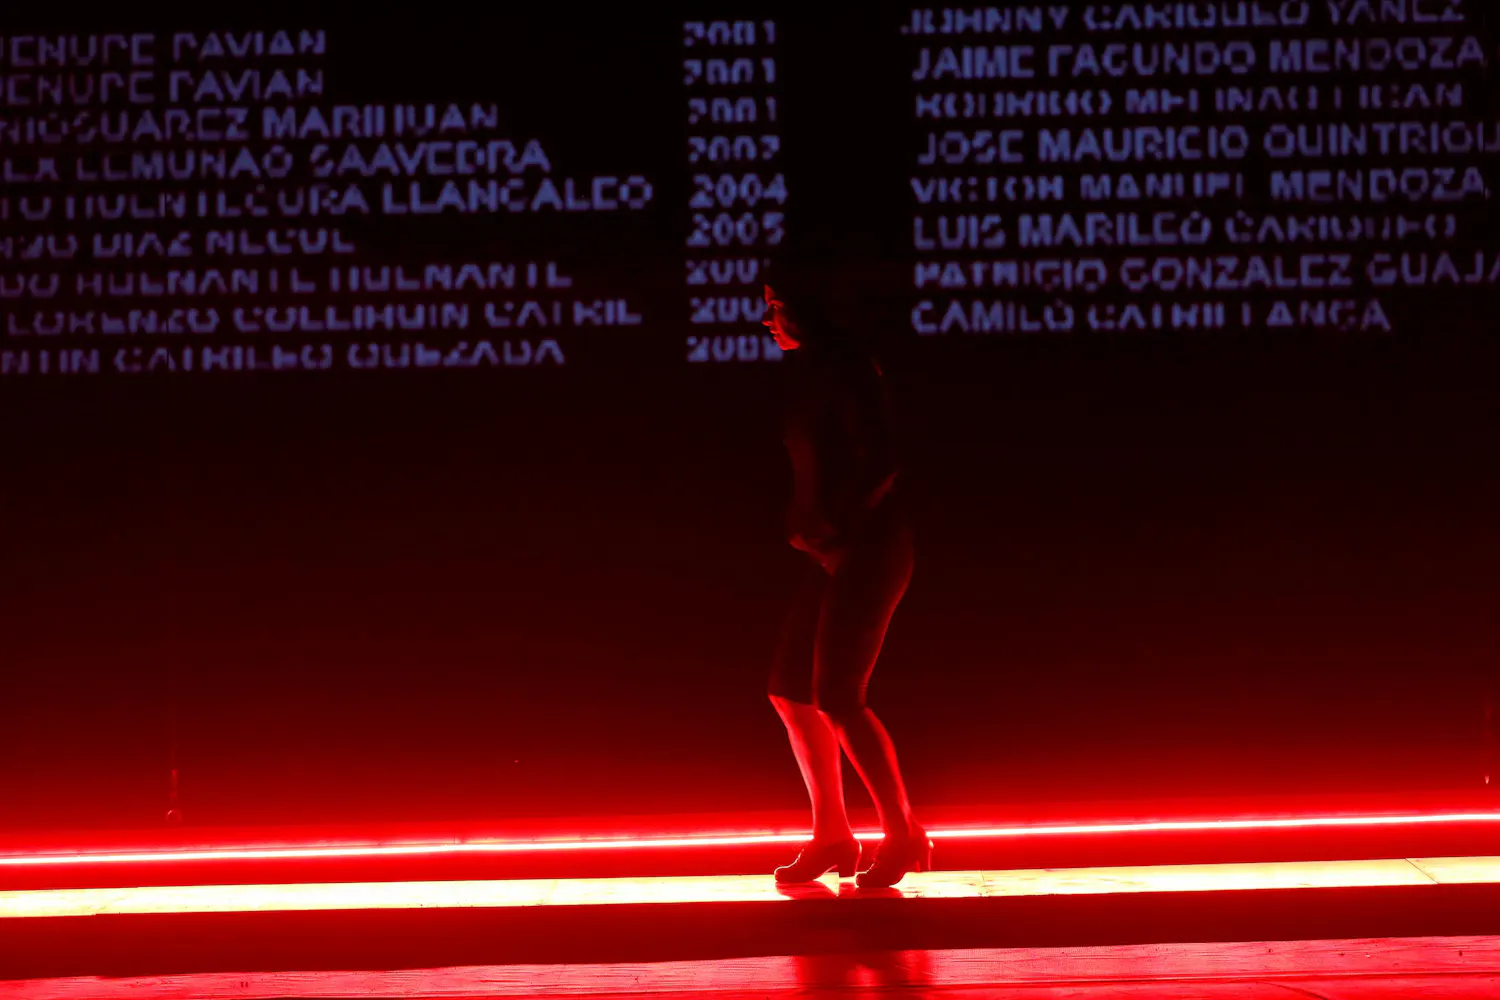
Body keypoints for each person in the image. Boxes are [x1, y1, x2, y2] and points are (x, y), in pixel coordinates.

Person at [762, 261, 930, 889]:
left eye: (776, 305)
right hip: (833, 552)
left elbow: (883, 459)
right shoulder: (810, 371)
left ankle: (904, 833)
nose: (766, 318)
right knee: (790, 690)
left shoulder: (849, 368)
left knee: (838, 695)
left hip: (870, 548)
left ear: (804, 307)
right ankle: (832, 835)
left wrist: (837, 522)